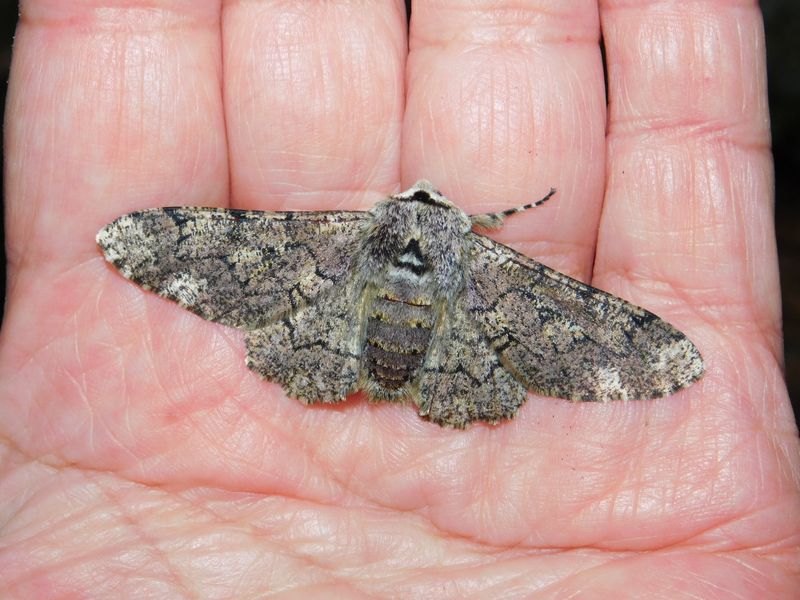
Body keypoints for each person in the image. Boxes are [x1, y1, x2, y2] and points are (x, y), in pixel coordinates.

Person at [1, 1, 797, 596]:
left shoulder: (344, 232)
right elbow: (607, 341)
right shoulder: (485, 253)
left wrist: (154, 241)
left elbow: (214, 255)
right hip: (457, 365)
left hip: (324, 339)